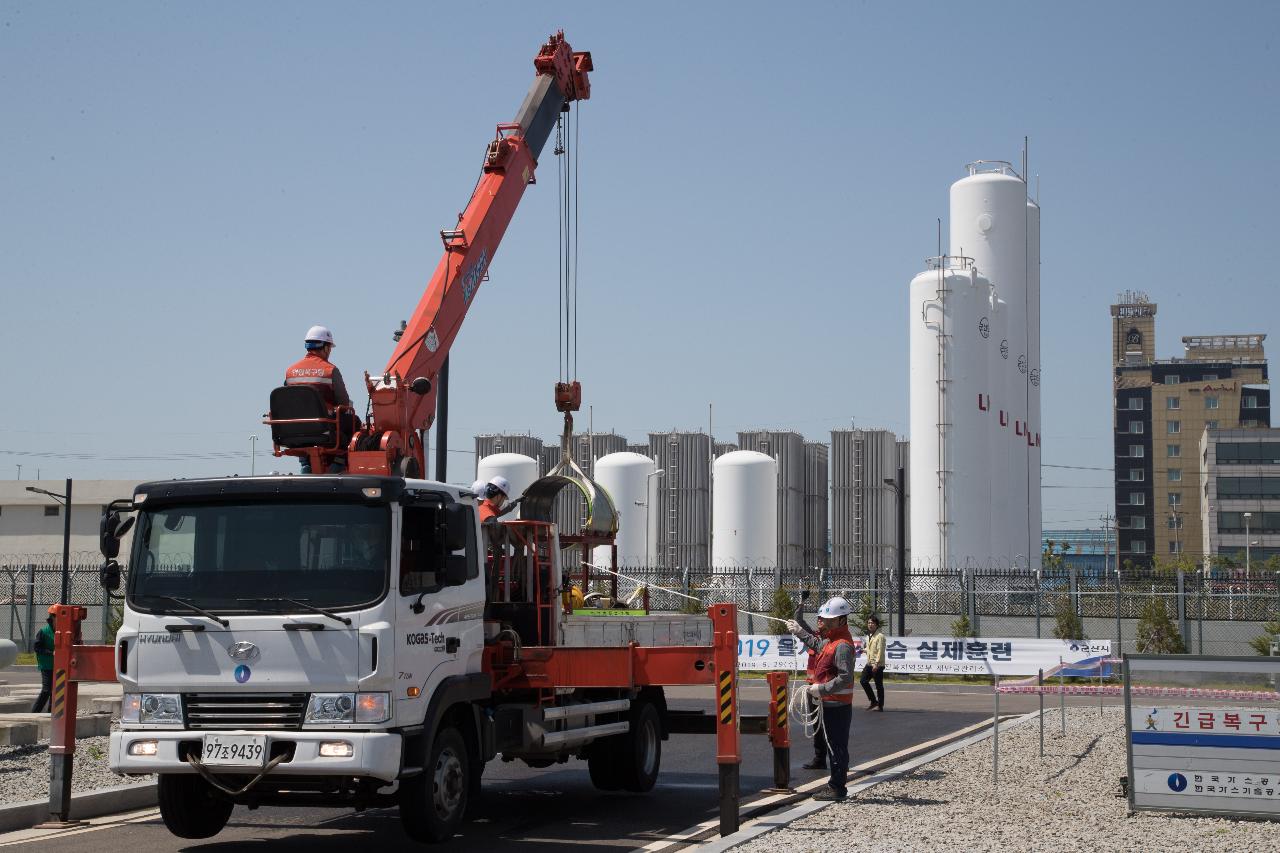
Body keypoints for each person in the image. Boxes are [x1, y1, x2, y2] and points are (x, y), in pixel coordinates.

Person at [787, 596, 856, 801]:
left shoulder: (842, 644)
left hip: (837, 703)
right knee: (833, 744)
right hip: (830, 701)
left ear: (841, 620)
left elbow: (845, 677)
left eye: (829, 619)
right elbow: (817, 645)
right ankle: (836, 785)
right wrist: (800, 632)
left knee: (837, 747)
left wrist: (822, 689)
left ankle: (837, 788)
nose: (824, 622)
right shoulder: (831, 640)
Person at [284, 325, 359, 473]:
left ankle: (305, 464)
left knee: (304, 424)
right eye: (329, 348)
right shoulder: (330, 370)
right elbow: (343, 402)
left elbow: (289, 400)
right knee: (354, 422)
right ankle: (338, 463)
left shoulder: (290, 371)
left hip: (293, 431)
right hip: (323, 428)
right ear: (324, 347)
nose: (330, 351)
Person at [31, 606, 56, 713]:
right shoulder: (44, 631)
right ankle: (34, 713)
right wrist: (51, 653)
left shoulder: (61, 630)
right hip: (46, 665)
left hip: (58, 665)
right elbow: (37, 648)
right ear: (53, 617)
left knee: (55, 691)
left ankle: (51, 713)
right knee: (46, 690)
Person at [861, 615, 886, 711]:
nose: (870, 624)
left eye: (872, 623)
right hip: (869, 663)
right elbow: (870, 649)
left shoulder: (880, 636)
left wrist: (876, 664)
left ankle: (880, 705)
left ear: (876, 625)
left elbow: (880, 650)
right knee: (863, 681)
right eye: (869, 623)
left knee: (878, 685)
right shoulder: (868, 636)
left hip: (877, 665)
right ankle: (873, 701)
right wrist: (864, 650)